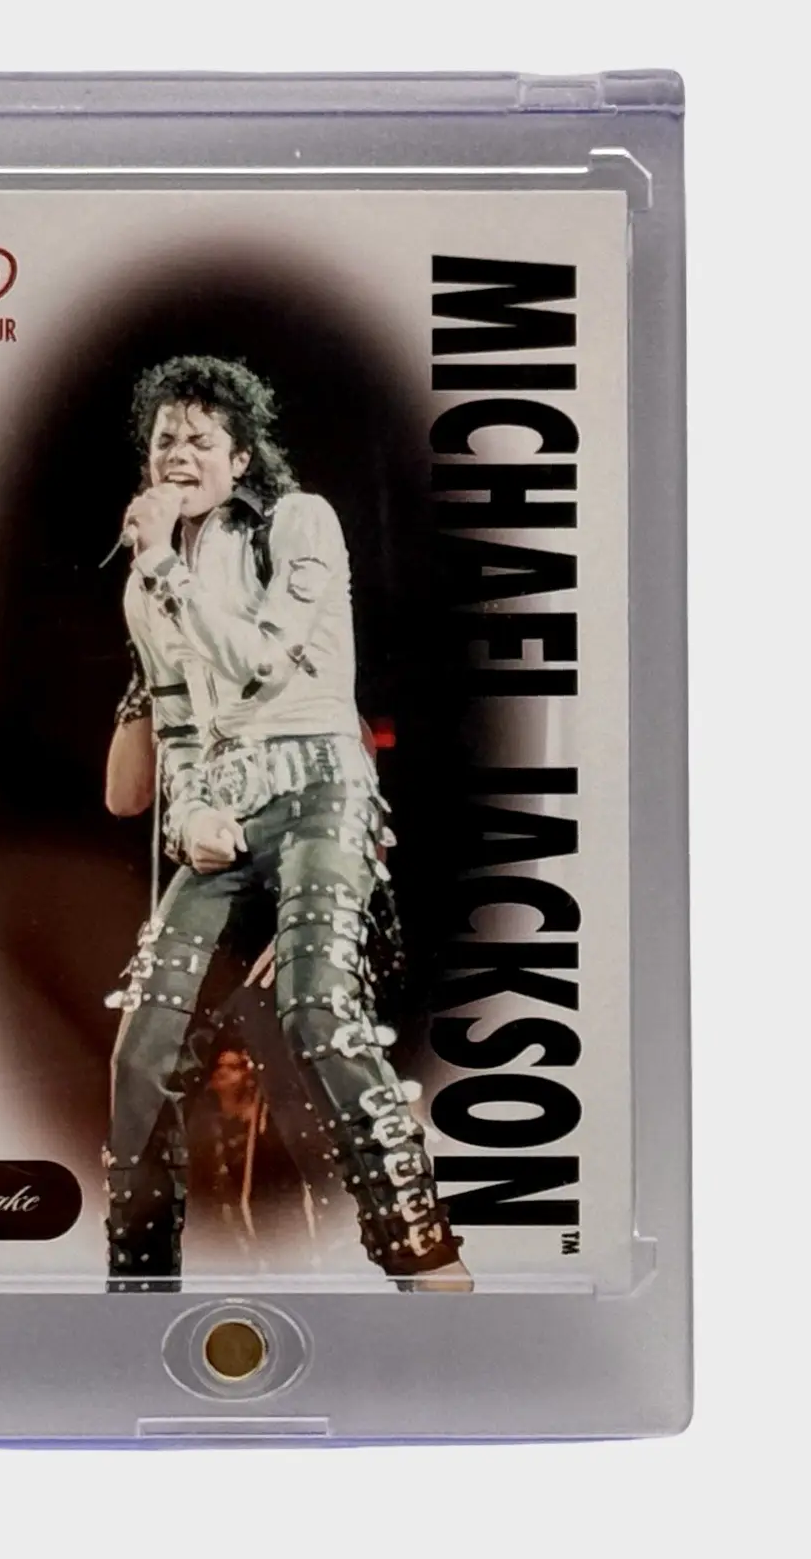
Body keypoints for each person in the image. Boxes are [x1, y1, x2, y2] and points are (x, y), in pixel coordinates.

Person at [101, 354, 468, 1292]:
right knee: (143, 1049)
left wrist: (161, 565)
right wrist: (190, 817)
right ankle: (138, 1289)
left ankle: (427, 1261)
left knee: (316, 1008)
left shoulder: (298, 521)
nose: (177, 454)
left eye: (200, 440)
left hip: (318, 792)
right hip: (225, 815)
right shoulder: (147, 585)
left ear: (239, 457)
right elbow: (179, 726)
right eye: (164, 440)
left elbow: (262, 660)